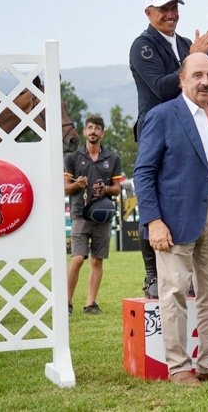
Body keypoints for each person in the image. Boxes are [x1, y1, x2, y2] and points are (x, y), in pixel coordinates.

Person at [134, 52, 208, 385]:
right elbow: (143, 172)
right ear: (182, 79)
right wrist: (153, 220)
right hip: (172, 219)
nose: (205, 82)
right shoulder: (162, 116)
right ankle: (179, 367)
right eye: (197, 75)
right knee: (173, 293)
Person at [129, 0, 208, 299]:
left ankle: (189, 271)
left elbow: (198, 84)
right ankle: (152, 274)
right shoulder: (142, 46)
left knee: (187, 195)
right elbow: (162, 87)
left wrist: (197, 55)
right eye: (163, 9)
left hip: (187, 129)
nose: (170, 14)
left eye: (174, 8)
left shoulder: (184, 43)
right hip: (156, 129)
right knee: (152, 195)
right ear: (148, 13)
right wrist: (194, 54)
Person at [64, 115, 122, 315]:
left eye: (97, 128)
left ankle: (91, 303)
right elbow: (65, 188)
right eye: (89, 128)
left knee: (97, 260)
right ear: (84, 132)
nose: (93, 131)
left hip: (102, 215)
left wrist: (105, 189)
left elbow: (117, 189)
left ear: (102, 133)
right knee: (78, 258)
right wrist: (77, 185)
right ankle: (66, 302)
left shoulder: (113, 158)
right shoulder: (72, 158)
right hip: (80, 214)